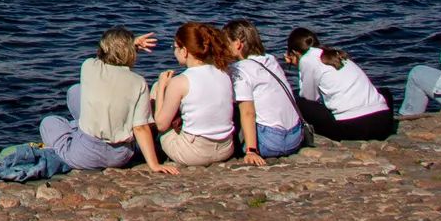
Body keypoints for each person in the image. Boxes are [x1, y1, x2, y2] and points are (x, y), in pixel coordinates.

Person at [38, 27, 167, 173]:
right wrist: (154, 165)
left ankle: (76, 131)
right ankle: (79, 128)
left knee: (49, 122)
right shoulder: (139, 82)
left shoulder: (88, 66)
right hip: (120, 156)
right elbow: (140, 128)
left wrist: (133, 43)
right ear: (131, 53)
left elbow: (102, 55)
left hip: (85, 154)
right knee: (76, 91)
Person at [147, 22, 236, 167]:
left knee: (157, 88)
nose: (174, 52)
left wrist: (162, 87)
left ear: (185, 51)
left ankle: (150, 153)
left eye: (175, 48)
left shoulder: (180, 81)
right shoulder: (224, 73)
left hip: (194, 153)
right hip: (225, 149)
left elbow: (162, 125)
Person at [284, 28, 395, 140]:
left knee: (300, 102)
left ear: (294, 52)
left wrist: (297, 65)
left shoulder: (307, 60)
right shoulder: (335, 55)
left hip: (355, 126)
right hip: (383, 123)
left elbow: (309, 98)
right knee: (383, 91)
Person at [223, 20, 304, 165]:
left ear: (237, 44)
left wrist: (251, 151)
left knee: (231, 108)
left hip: (270, 142)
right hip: (295, 138)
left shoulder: (240, 69)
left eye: (225, 43)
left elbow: (248, 112)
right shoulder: (270, 60)